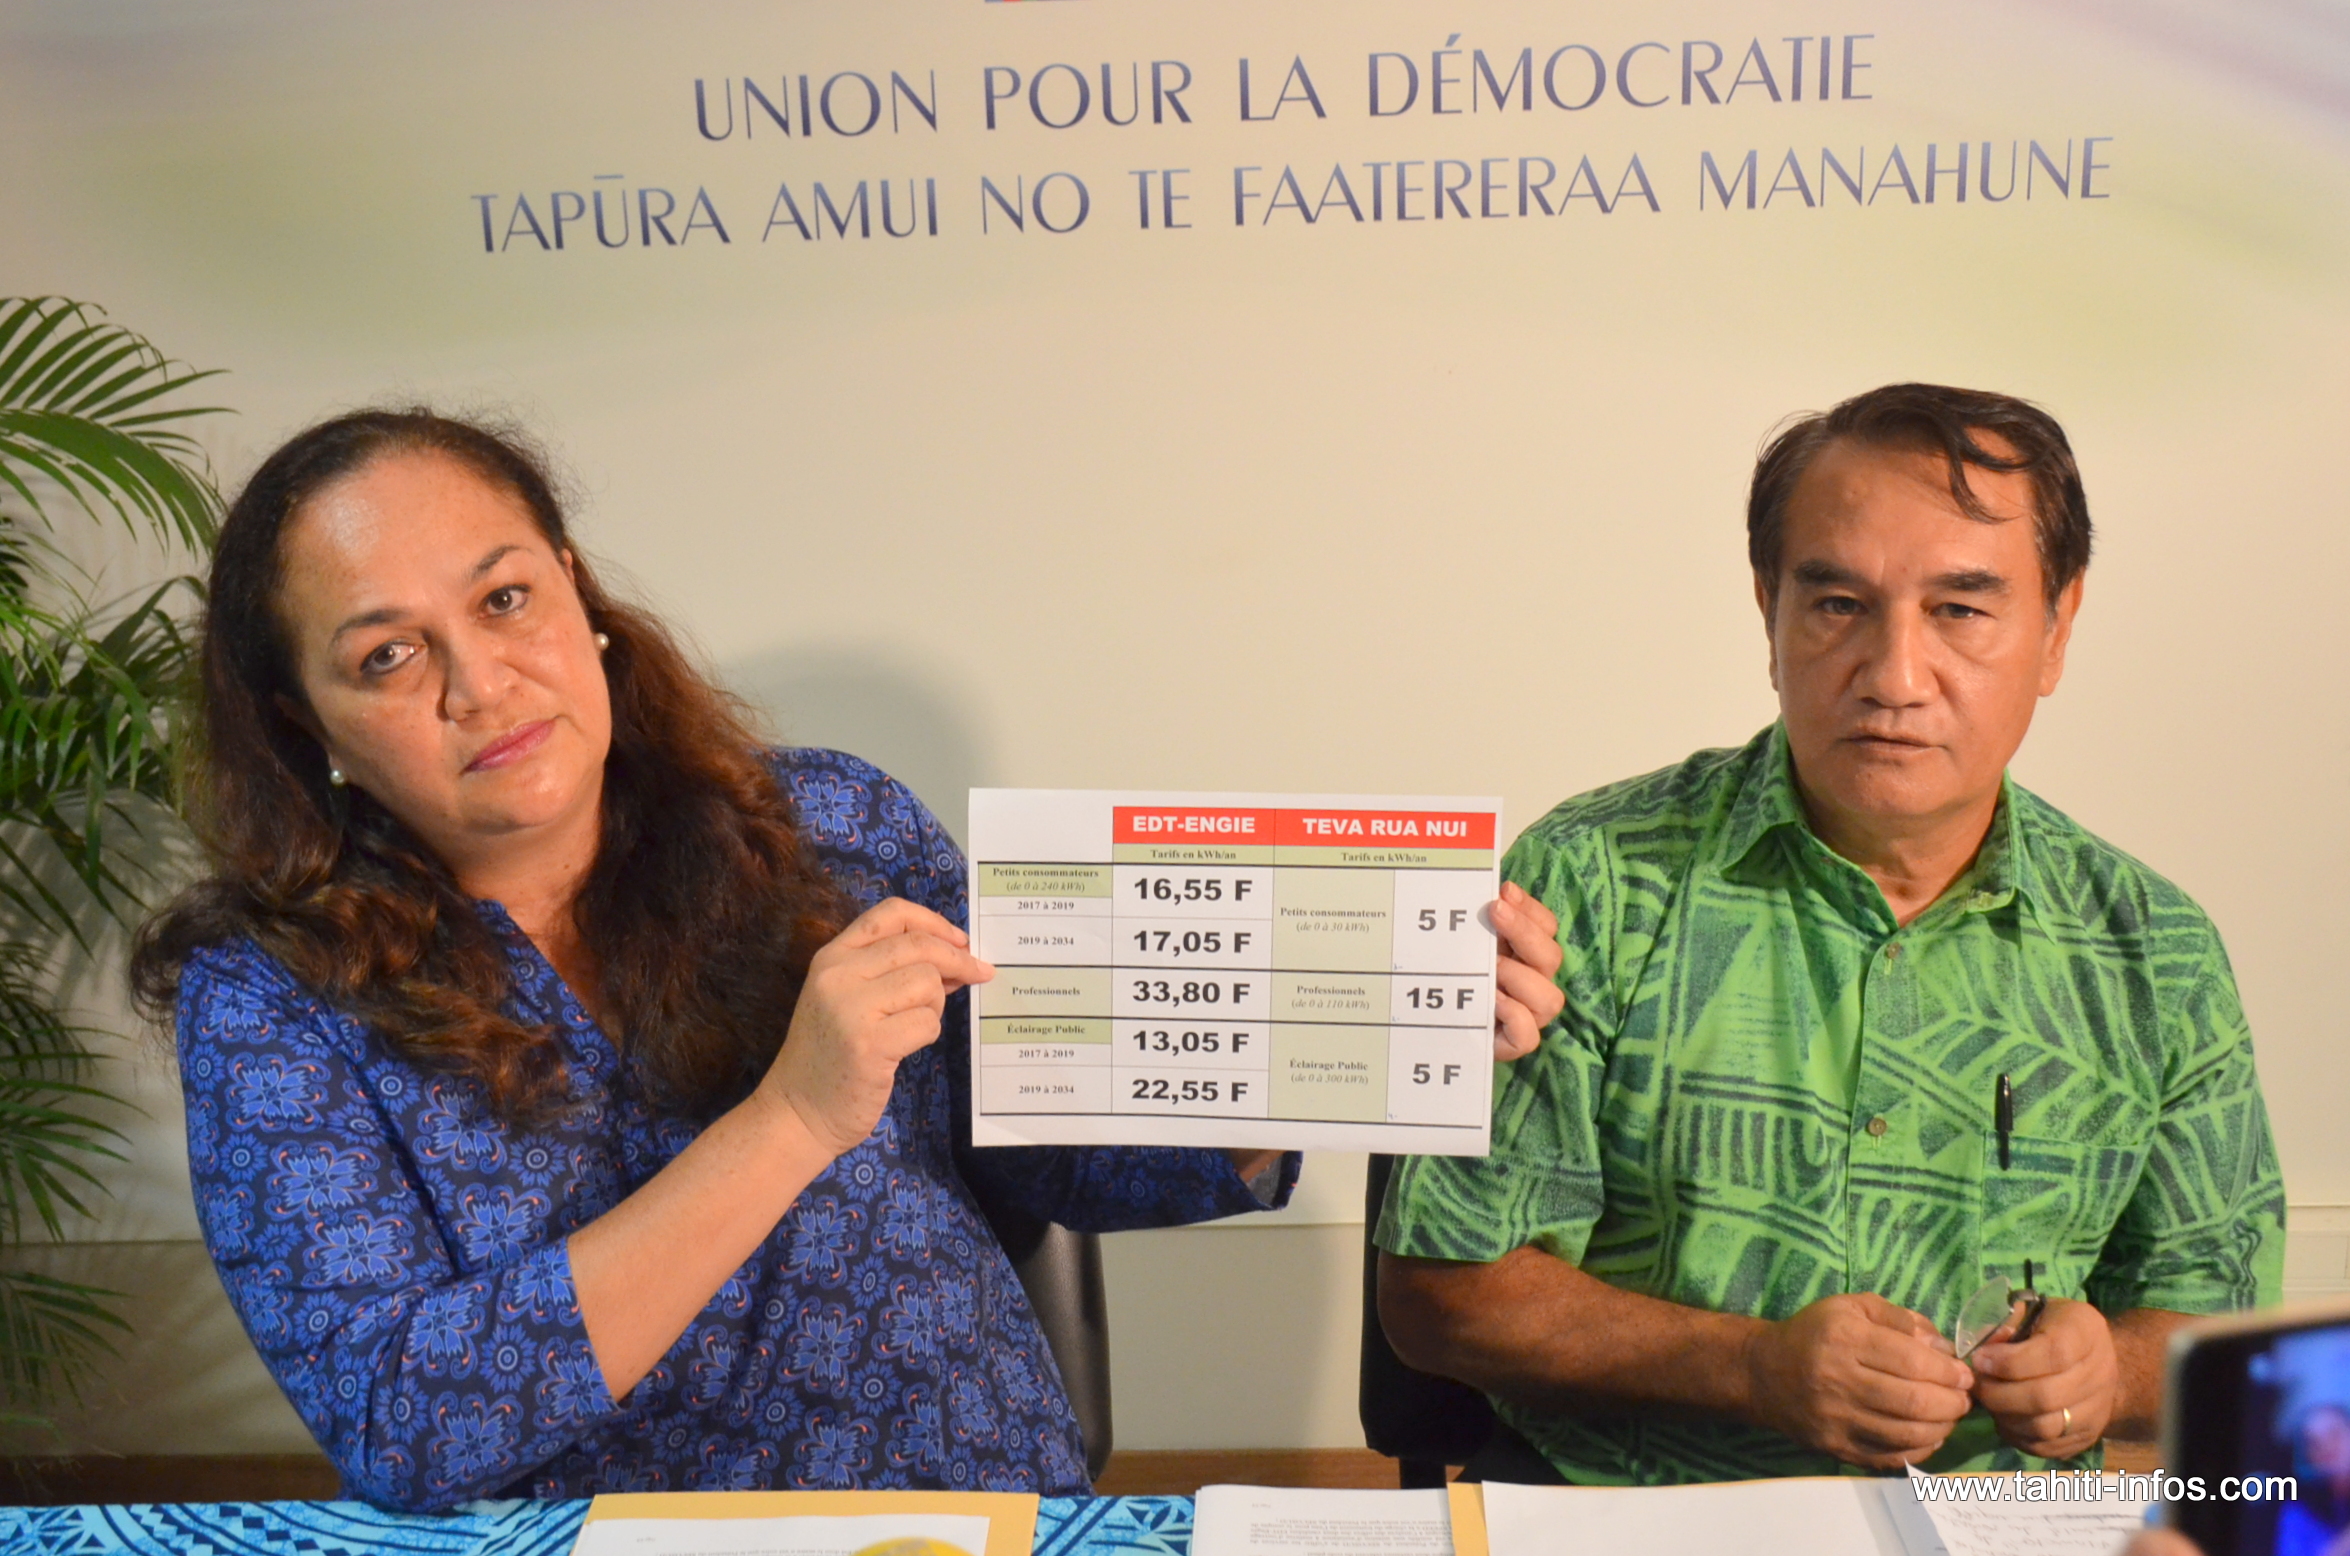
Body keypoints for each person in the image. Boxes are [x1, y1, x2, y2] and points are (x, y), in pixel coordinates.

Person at [132, 409, 1567, 1510]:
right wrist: (788, 1121)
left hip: (983, 1503)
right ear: (301, 720)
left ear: (575, 591)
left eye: (503, 599)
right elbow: (408, 1422)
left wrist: (1329, 1042)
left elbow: (1044, 1153)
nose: (478, 683)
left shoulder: (827, 817)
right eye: (387, 657)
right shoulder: (269, 1002)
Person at [1375, 382, 2284, 1485]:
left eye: (1959, 609)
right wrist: (1750, 1366)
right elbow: (1441, 1297)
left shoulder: (2154, 948)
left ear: (2055, 629)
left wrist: (2109, 1367)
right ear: (1769, 612)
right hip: (1629, 1518)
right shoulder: (1590, 880)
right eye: (1838, 604)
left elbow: (2216, 1324)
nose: (1895, 676)